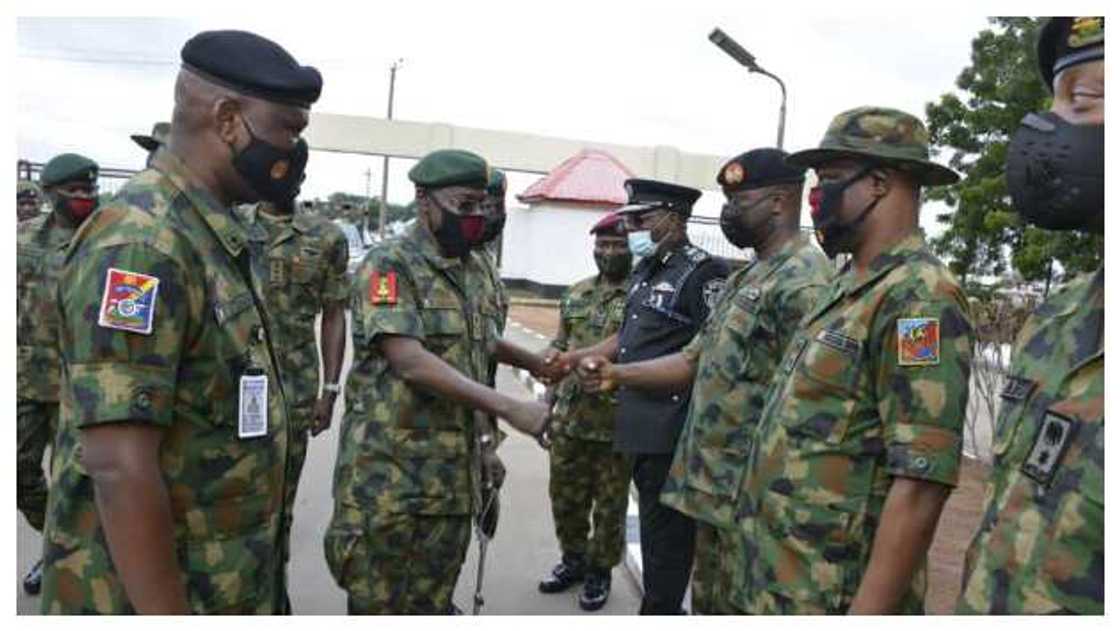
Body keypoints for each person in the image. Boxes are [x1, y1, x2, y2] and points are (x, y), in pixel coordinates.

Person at [41, 29, 321, 614]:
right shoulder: (143, 243)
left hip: (225, 583)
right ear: (228, 120)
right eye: (289, 131)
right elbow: (118, 466)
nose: (295, 151)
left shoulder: (210, 229)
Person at [727, 107, 974, 615]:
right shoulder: (849, 282)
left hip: (831, 593)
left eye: (831, 179)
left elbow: (921, 481)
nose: (816, 195)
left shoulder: (920, 297)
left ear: (879, 183)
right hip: (779, 577)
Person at [579, 149, 831, 613]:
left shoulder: (805, 282)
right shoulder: (749, 275)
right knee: (709, 601)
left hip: (756, 495)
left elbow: (811, 403)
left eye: (739, 201)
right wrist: (615, 373)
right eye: (727, 200)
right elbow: (693, 359)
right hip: (715, 487)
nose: (729, 212)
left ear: (779, 202)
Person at [324, 149, 552, 615]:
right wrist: (511, 407)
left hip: (451, 482)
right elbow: (410, 360)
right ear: (424, 201)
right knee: (380, 607)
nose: (475, 217)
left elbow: (477, 344)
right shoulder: (390, 265)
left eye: (482, 206)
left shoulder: (473, 268)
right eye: (464, 205)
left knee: (433, 604)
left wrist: (538, 365)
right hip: (390, 484)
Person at [956, 16, 1104, 615]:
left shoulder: (917, 298)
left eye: (1085, 99)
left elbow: (918, 452)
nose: (1045, 125)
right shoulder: (1059, 316)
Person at [548, 178, 729, 614]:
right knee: (654, 535)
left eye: (641, 220)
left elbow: (706, 358)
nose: (632, 231)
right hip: (641, 428)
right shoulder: (648, 271)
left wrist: (617, 373)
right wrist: (575, 359)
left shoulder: (703, 273)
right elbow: (627, 339)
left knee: (667, 548)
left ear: (674, 218)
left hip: (673, 435)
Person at [238, 194, 349, 612]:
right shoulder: (229, 223)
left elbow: (334, 314)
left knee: (280, 505)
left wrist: (330, 389)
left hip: (292, 391)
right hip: (228, 389)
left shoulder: (326, 238)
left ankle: (271, 599)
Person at [537, 211, 632, 611]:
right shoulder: (575, 293)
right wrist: (546, 400)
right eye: (602, 244)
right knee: (565, 498)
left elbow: (627, 344)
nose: (608, 252)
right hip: (571, 420)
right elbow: (560, 346)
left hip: (616, 422)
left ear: (631, 249)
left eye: (617, 245)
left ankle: (599, 571)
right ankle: (573, 560)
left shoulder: (641, 297)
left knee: (609, 506)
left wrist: (571, 360)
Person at [16, 153, 100, 596]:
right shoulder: (23, 240)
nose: (84, 197)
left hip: (81, 386)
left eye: (90, 189)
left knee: (80, 483)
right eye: (75, 191)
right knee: (18, 472)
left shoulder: (108, 236)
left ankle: (62, 557)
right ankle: (57, 540)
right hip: (27, 379)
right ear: (51, 194)